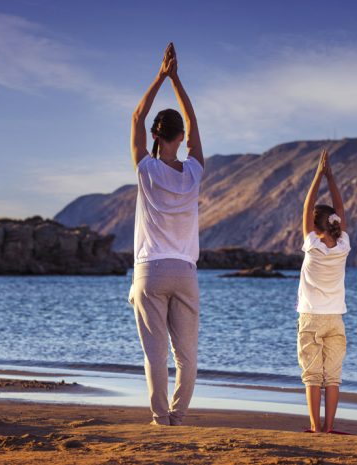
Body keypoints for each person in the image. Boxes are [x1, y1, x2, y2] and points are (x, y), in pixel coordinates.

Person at [128, 42, 205, 426]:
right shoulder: (193, 173)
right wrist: (178, 80)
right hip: (185, 273)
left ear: (157, 137)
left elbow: (137, 117)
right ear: (177, 138)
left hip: (150, 271)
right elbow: (193, 124)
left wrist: (160, 75)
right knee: (186, 355)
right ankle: (179, 414)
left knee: (155, 353)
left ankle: (161, 417)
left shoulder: (146, 170)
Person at [297, 148, 351, 434]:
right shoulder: (343, 246)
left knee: (312, 376)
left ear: (315, 227)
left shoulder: (312, 245)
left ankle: (315, 427)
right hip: (335, 319)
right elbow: (340, 210)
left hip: (311, 318)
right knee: (333, 378)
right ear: (334, 225)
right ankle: (329, 428)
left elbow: (306, 208)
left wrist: (318, 174)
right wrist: (332, 178)